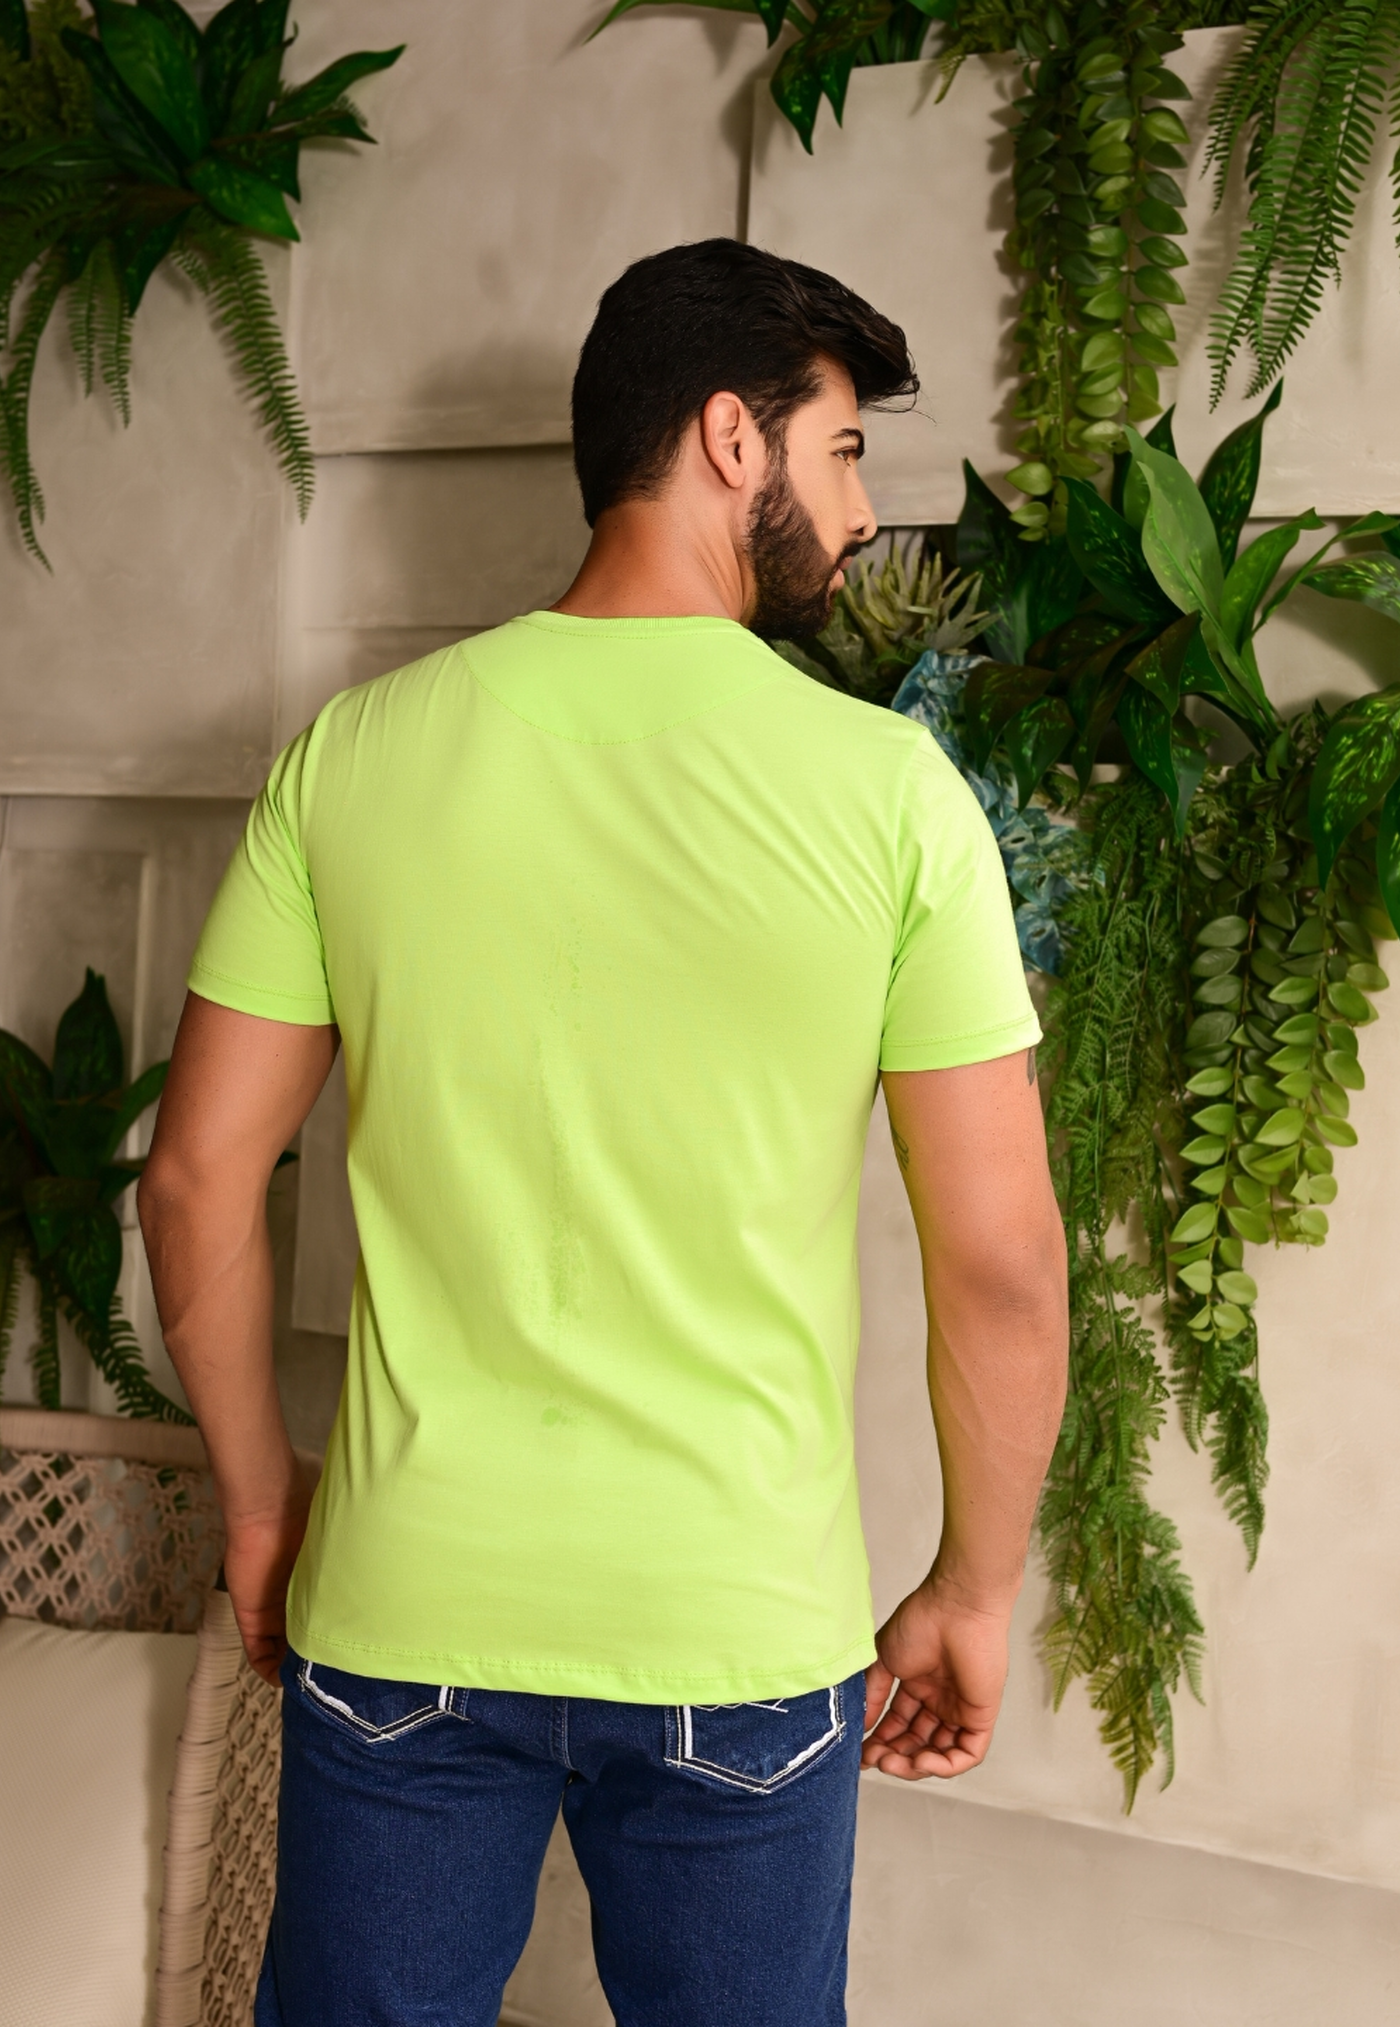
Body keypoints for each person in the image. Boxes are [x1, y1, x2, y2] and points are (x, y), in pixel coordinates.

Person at [138, 238, 1068, 2027]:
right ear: (730, 437)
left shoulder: (353, 755)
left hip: (404, 1605)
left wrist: (260, 1500)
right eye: (842, 449)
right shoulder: (892, 796)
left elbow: (192, 1184)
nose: (863, 513)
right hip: (737, 1627)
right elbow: (1006, 1262)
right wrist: (974, 1583)